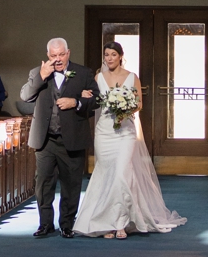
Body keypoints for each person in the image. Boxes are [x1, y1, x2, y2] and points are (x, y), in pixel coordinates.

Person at [73, 41, 186, 238]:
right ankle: (105, 222)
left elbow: (139, 103)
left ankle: (121, 223)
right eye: (106, 54)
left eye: (113, 55)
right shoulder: (98, 77)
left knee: (121, 175)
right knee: (105, 175)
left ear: (120, 56)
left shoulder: (132, 77)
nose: (109, 58)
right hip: (104, 132)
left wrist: (125, 110)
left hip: (125, 132)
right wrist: (83, 95)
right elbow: (91, 99)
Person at [20, 37, 99, 237]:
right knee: (43, 184)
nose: (58, 59)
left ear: (68, 53)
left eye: (61, 54)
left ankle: (67, 224)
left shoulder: (83, 73)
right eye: (53, 55)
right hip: (45, 140)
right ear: (48, 56)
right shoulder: (36, 73)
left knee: (71, 184)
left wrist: (76, 102)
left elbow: (97, 99)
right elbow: (25, 96)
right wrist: (41, 76)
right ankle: (45, 224)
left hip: (72, 138)